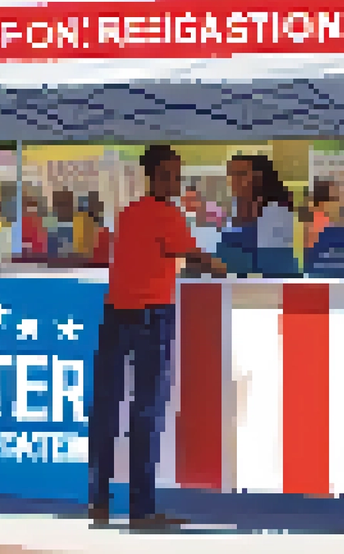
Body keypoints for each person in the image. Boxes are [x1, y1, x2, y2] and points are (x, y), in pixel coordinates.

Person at [89, 145, 228, 530]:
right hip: (150, 313)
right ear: (153, 175)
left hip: (116, 312)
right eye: (169, 174)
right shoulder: (168, 214)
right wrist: (221, 265)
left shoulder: (128, 213)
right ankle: (141, 509)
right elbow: (193, 256)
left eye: (176, 173)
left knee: (108, 407)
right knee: (145, 411)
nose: (174, 180)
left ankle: (98, 501)